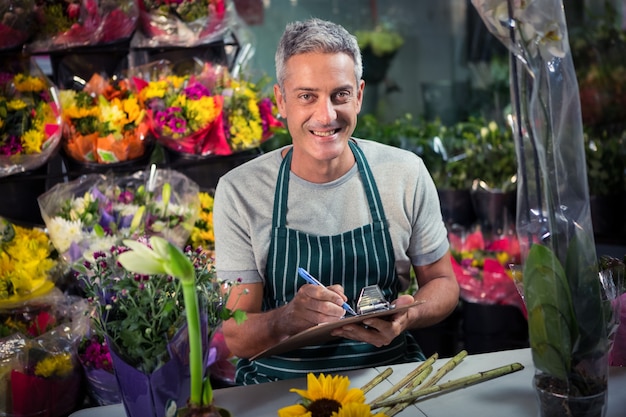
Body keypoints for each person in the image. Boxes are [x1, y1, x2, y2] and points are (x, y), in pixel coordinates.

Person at [213, 17, 459, 385]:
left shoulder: (405, 173)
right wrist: (288, 317)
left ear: (359, 95)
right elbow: (236, 335)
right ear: (281, 100)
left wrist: (410, 315)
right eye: (307, 96)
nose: (326, 116)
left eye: (340, 95)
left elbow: (443, 282)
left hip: (388, 377)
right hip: (278, 388)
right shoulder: (241, 192)